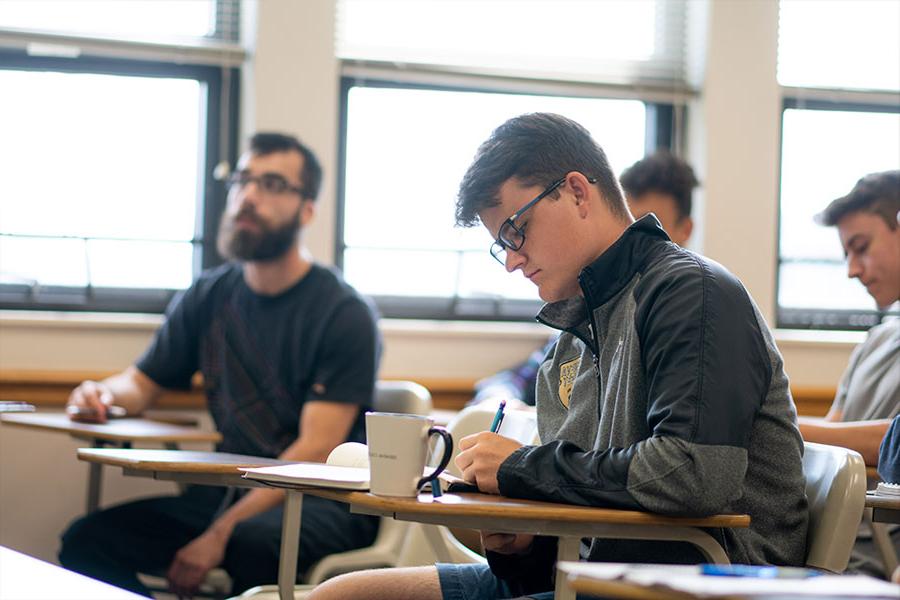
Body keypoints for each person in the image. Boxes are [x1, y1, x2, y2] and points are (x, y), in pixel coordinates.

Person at [309, 113, 808, 600]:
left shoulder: (691, 292)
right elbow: (580, 520)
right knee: (338, 594)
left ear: (575, 191)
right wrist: (518, 544)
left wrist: (523, 469)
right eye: (500, 244)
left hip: (694, 581)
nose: (511, 259)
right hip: (591, 575)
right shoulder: (570, 333)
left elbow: (693, 476)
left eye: (516, 229)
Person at [58, 133, 382, 598]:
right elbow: (141, 383)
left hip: (323, 500)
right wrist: (100, 394)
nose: (248, 196)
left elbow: (315, 450)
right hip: (229, 491)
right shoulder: (210, 295)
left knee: (250, 544)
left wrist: (220, 532)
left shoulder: (343, 312)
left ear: (306, 210)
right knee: (87, 543)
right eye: (242, 180)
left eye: (271, 184)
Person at [471, 151, 699, 410]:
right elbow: (518, 379)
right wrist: (501, 402)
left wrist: (527, 453)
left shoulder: (685, 303)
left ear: (685, 230)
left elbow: (675, 450)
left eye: (648, 222)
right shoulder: (584, 315)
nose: (630, 234)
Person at [799, 170, 900, 578]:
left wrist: (781, 426)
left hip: (874, 550)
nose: (852, 270)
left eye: (861, 248)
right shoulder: (875, 341)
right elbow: (834, 432)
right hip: (822, 538)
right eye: (846, 254)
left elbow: (891, 442)